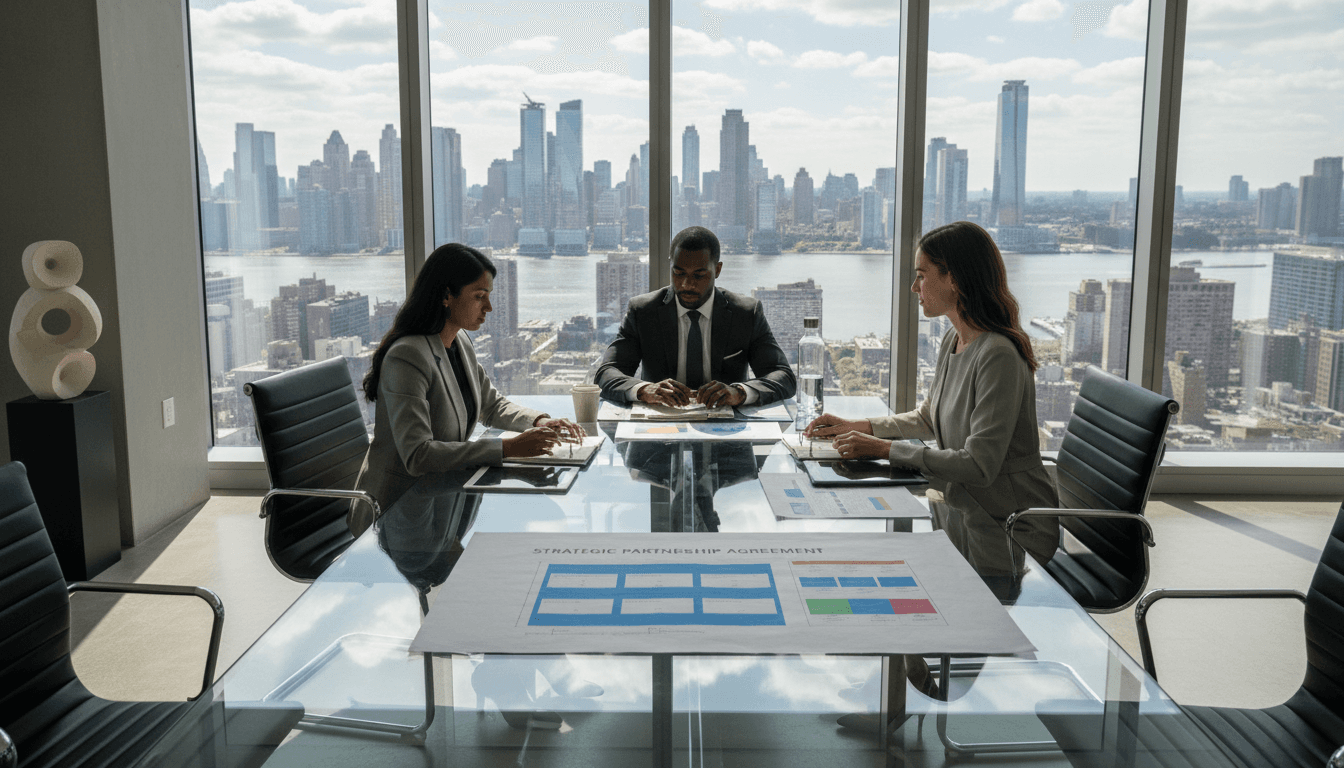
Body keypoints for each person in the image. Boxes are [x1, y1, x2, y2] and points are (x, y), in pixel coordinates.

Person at [804, 221, 1059, 564]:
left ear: (953, 278)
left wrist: (884, 449)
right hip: (965, 509)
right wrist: (861, 425)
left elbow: (979, 466)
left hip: (1010, 527)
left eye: (922, 275)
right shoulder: (953, 339)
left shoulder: (998, 354)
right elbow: (929, 416)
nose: (914, 287)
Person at [354, 243, 584, 533]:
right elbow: (418, 455)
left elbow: (491, 404)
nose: (488, 307)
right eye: (479, 297)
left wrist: (539, 421)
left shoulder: (458, 341)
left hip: (445, 500)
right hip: (397, 515)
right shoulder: (407, 356)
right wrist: (508, 448)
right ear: (446, 296)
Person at [594, 226, 796, 408]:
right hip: (658, 432)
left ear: (717, 270)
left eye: (698, 275)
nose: (686, 284)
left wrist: (740, 392)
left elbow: (784, 376)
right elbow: (607, 372)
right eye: (678, 273)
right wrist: (643, 390)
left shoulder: (745, 313)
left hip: (727, 435)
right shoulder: (643, 311)